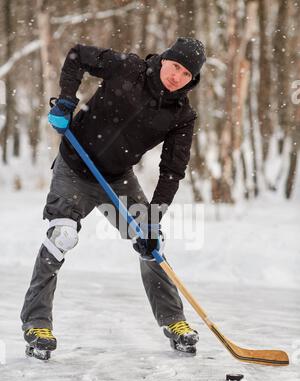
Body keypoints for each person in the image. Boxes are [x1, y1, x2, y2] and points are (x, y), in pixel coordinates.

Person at [20, 37, 206, 360]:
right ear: (165, 60)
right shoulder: (128, 68)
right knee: (61, 236)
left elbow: (172, 172)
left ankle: (175, 322)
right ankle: (36, 324)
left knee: (151, 242)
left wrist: (153, 217)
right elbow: (77, 54)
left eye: (186, 74)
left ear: (192, 81)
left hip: (116, 180)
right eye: (175, 66)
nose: (177, 76)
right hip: (75, 165)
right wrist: (66, 101)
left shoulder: (181, 116)